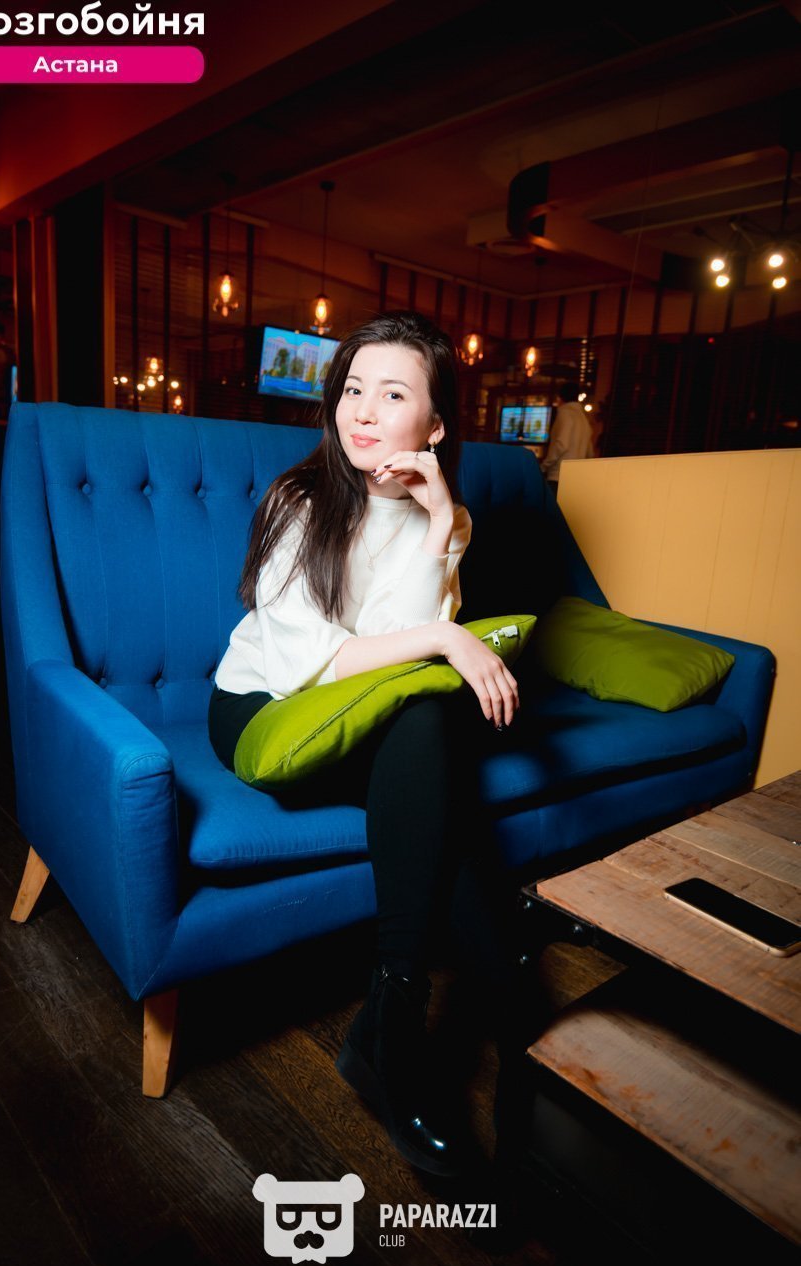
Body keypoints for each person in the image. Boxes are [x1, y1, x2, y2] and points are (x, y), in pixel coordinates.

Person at [208, 311, 520, 1178]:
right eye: (353, 389)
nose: (364, 412)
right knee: (438, 759)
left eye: (392, 394)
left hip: (365, 709)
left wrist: (438, 521)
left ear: (436, 425)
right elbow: (318, 664)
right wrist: (449, 637)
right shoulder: (298, 501)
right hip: (264, 706)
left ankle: (397, 1025)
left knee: (426, 727)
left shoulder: (445, 518)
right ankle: (505, 1015)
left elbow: (396, 659)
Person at [540, 381, 594, 498]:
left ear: (560, 397)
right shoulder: (583, 418)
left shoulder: (565, 413)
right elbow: (589, 452)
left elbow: (561, 444)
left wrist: (544, 466)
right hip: (575, 477)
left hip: (558, 476)